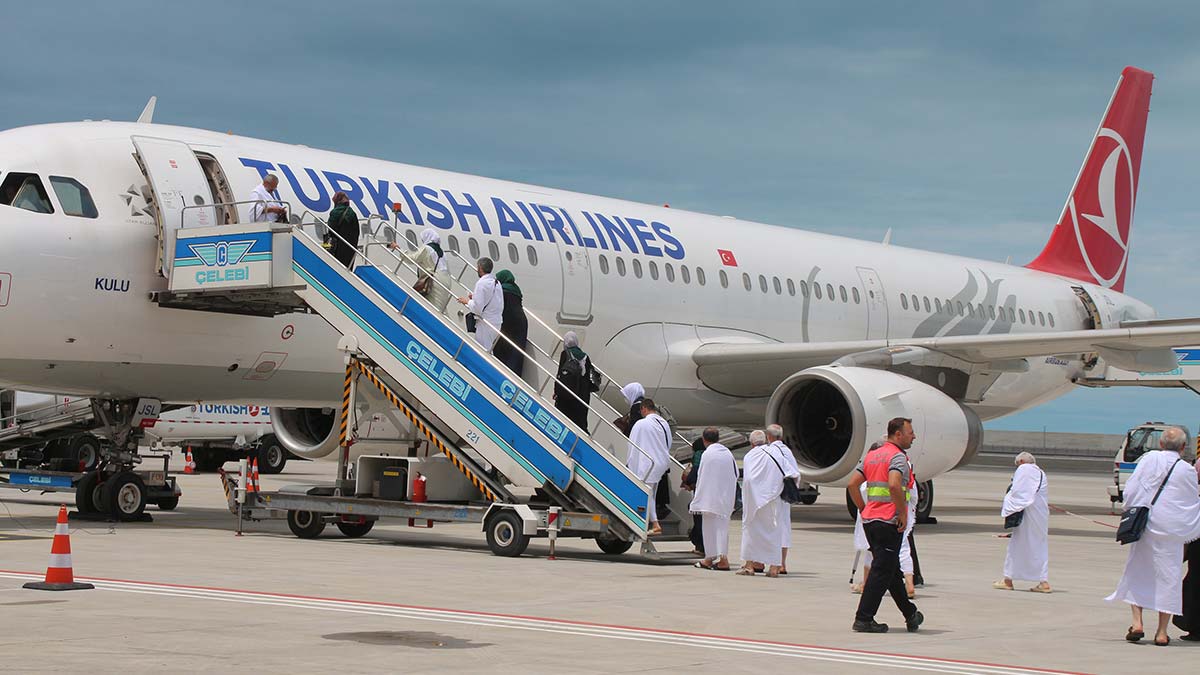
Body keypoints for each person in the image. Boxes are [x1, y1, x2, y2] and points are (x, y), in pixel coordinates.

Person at [1106, 426, 1200, 646]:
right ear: (1184, 447)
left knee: (1138, 571)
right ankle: (1161, 632)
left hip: (1145, 527)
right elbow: (1191, 502)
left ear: (1160, 444)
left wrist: (1132, 510)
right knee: (1169, 578)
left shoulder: (1148, 460)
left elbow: (1131, 490)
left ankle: (1137, 623)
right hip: (1170, 532)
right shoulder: (1185, 469)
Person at [847, 417, 923, 634]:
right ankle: (864, 618)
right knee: (882, 571)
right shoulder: (897, 457)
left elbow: (853, 484)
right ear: (898, 434)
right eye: (910, 432)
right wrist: (901, 512)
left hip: (870, 521)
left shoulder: (871, 456)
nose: (913, 436)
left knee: (889, 569)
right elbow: (893, 484)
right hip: (889, 521)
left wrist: (864, 509)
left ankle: (910, 614)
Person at [738, 430, 796, 577]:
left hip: (754, 501)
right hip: (773, 498)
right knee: (773, 532)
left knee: (751, 532)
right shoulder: (776, 453)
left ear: (751, 444)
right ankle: (775, 567)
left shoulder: (750, 456)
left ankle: (749, 565)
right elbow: (792, 473)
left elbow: (749, 479)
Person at [994, 452, 1051, 593]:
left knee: (1016, 546)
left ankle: (1008, 580)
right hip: (1040, 516)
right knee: (1039, 547)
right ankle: (1043, 582)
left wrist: (1008, 505)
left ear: (1021, 461)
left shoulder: (1025, 469)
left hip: (1028, 515)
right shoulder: (1040, 472)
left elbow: (1019, 493)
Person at [690, 427, 737, 571]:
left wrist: (698, 498)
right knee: (722, 529)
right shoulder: (727, 453)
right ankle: (720, 558)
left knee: (709, 529)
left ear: (704, 440)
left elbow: (703, 477)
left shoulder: (707, 454)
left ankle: (712, 559)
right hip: (725, 498)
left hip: (710, 499)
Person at [627, 398, 671, 536]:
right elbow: (668, 443)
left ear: (644, 408)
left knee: (647, 494)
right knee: (652, 493)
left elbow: (633, 445)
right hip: (661, 463)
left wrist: (630, 463)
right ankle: (650, 522)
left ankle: (655, 524)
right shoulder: (663, 423)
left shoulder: (642, 424)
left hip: (648, 464)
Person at [851, 441, 886, 594]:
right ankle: (868, 582)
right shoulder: (877, 471)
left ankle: (868, 583)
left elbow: (854, 486)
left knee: (872, 552)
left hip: (872, 517)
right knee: (872, 552)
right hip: (873, 516)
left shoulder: (869, 471)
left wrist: (862, 509)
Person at [766, 424, 800, 575]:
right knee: (784, 528)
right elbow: (796, 473)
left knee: (771, 528)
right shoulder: (787, 451)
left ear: (769, 437)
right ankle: (782, 563)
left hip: (773, 494)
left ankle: (772, 562)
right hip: (786, 495)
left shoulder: (770, 451)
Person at [398, 228, 452, 313]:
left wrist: (400, 250)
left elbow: (412, 258)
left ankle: (436, 325)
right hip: (446, 281)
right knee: (441, 309)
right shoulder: (443, 253)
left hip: (435, 281)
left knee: (434, 309)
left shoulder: (427, 248)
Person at [553, 331, 598, 431]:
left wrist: (556, 391)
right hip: (580, 397)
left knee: (562, 421)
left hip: (566, 395)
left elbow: (560, 374)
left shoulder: (565, 354)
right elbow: (587, 379)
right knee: (578, 425)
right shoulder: (586, 357)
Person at [457, 257, 503, 352]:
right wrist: (474, 297)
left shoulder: (481, 283)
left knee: (483, 351)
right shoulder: (496, 283)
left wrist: (467, 301)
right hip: (497, 322)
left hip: (485, 323)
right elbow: (494, 301)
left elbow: (477, 309)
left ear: (480, 268)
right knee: (488, 349)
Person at [491, 270, 529, 377]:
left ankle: (500, 376)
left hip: (508, 323)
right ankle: (513, 378)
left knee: (503, 350)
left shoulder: (503, 290)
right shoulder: (515, 290)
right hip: (521, 323)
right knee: (516, 353)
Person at [682, 436, 706, 556]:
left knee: (698, 518)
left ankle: (700, 545)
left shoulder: (699, 454)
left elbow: (695, 472)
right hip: (711, 493)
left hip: (700, 492)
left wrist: (687, 482)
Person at [326, 191, 359, 269]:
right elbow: (357, 231)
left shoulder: (335, 212)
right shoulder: (352, 213)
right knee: (347, 268)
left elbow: (331, 229)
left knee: (336, 268)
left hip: (338, 246)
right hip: (350, 246)